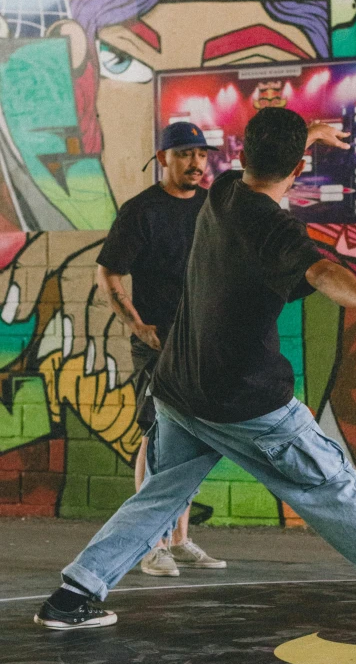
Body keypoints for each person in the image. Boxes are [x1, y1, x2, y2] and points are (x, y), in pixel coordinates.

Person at [35, 108, 356, 634]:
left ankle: (73, 595)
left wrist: (305, 138)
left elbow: (262, 164)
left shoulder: (224, 192)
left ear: (243, 156)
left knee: (160, 494)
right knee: (334, 487)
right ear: (298, 167)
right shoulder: (274, 229)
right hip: (244, 401)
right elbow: (323, 272)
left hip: (181, 388)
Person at [95, 121, 226, 577]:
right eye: (186, 154)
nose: (195, 163)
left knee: (189, 439)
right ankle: (150, 545)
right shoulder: (141, 212)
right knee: (156, 437)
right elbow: (109, 275)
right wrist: (137, 323)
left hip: (202, 343)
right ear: (164, 158)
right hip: (159, 344)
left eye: (201, 154)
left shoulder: (213, 206)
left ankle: (179, 538)